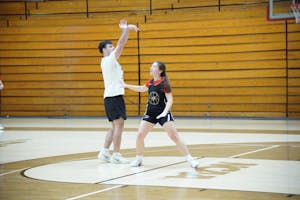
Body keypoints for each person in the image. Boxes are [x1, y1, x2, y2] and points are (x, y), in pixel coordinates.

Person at [121, 61, 200, 168]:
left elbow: (170, 100)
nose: (151, 67)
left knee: (174, 136)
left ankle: (190, 159)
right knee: (140, 135)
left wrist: (164, 112)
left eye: (154, 66)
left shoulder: (164, 84)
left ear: (160, 70)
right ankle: (139, 159)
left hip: (163, 113)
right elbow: (141, 88)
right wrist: (125, 85)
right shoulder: (150, 82)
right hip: (150, 113)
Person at [97, 19, 139, 164]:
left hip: (111, 97)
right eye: (110, 46)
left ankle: (104, 152)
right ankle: (116, 155)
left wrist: (126, 30)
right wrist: (126, 29)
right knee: (119, 125)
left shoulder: (110, 61)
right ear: (104, 50)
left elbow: (121, 45)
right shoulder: (108, 60)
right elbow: (121, 44)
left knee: (115, 126)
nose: (113, 47)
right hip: (114, 97)